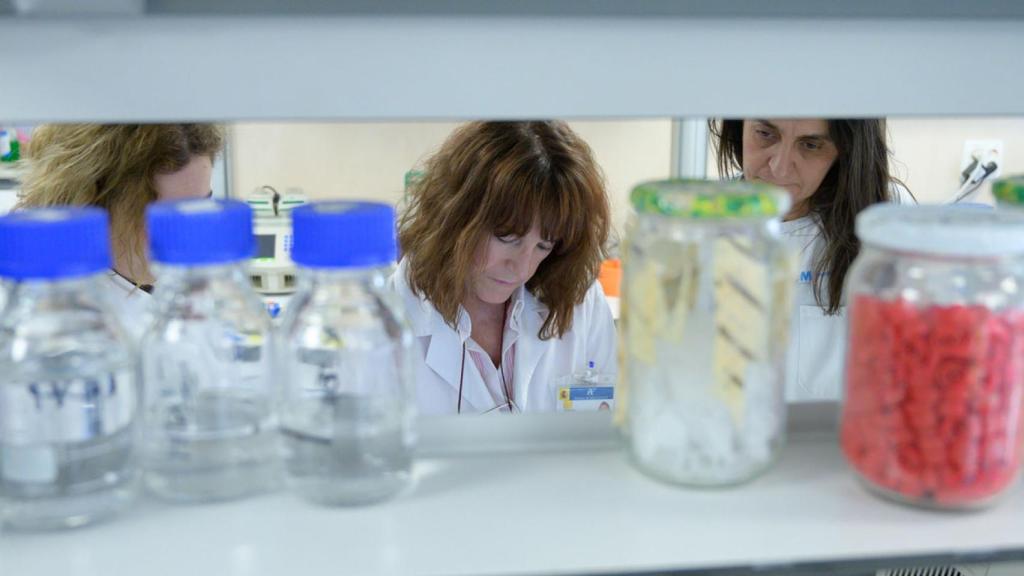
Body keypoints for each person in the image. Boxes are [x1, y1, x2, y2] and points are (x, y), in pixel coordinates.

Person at [393, 121, 616, 415]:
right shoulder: (387, 323)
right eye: (507, 237)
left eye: (544, 245)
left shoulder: (580, 304)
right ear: (455, 217)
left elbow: (610, 432)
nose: (522, 268)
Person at [710, 118, 910, 401]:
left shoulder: (883, 227)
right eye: (765, 134)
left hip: (833, 440)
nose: (779, 167)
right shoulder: (698, 226)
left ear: (844, 150)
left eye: (811, 145)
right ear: (738, 126)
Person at [17, 123, 224, 338]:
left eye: (199, 208)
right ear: (87, 203)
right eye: (159, 219)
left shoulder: (161, 288)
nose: (186, 239)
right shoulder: (41, 323)